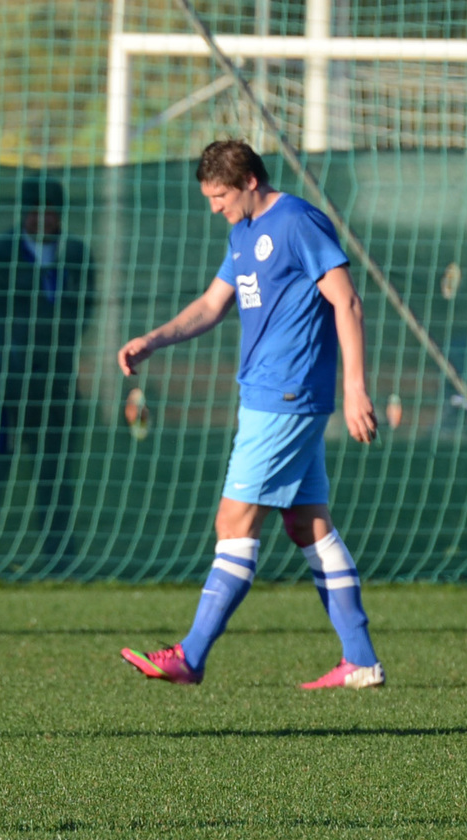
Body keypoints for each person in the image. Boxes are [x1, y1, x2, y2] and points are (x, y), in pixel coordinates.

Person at [117, 139, 383, 690]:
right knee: (308, 525)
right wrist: (153, 339)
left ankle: (190, 655)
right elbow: (212, 305)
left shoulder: (298, 221)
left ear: (250, 182)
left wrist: (355, 388)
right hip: (269, 397)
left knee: (233, 523)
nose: (215, 207)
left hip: (285, 396)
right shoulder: (242, 232)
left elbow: (347, 301)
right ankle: (360, 659)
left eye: (220, 196)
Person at [0, 177, 92, 566]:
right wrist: (1, 357)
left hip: (55, 387)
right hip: (3, 387)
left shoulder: (77, 256)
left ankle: (59, 557)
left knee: (55, 472)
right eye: (35, 212)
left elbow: (84, 311)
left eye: (51, 213)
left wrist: (55, 352)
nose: (43, 220)